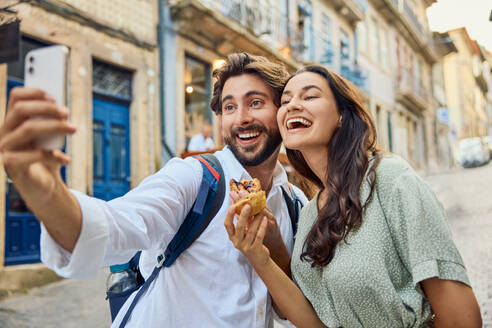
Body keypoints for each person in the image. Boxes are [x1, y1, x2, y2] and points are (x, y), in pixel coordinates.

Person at [0, 53, 307, 327]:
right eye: (229, 107)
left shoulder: (296, 205)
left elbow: (288, 310)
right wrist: (46, 193)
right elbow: (115, 226)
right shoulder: (196, 178)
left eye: (255, 103)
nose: (241, 119)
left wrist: (275, 249)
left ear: (282, 111)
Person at [225, 65, 483, 328]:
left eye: (310, 96)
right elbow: (314, 321)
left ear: (341, 116)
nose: (292, 106)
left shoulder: (392, 180)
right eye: (286, 100)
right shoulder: (310, 213)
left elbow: (461, 317)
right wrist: (257, 253)